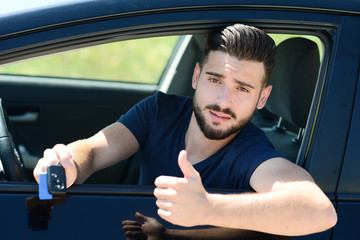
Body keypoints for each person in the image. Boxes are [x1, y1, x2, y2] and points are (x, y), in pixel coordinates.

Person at [33, 24, 337, 236]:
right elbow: (94, 151)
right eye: (215, 80)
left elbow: (319, 210)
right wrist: (66, 164)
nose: (223, 101)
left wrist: (208, 208)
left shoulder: (252, 151)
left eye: (242, 89)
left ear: (263, 98)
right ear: (196, 76)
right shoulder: (159, 111)